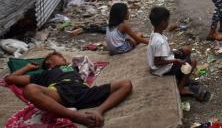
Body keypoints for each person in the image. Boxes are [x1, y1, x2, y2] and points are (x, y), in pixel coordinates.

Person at [4, 51, 132, 127]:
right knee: (30, 89)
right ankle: (76, 116)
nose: (63, 58)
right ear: (49, 61)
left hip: (83, 91)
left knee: (125, 84)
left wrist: (99, 110)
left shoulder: (72, 67)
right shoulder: (44, 74)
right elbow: (10, 78)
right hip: (59, 92)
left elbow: (85, 64)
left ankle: (99, 111)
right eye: (59, 56)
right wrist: (27, 67)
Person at [147, 7, 210, 101]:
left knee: (186, 50)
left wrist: (172, 52)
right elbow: (157, 62)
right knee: (192, 63)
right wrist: (176, 60)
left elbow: (160, 53)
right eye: (167, 20)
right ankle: (181, 88)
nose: (168, 22)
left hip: (165, 61)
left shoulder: (155, 34)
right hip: (161, 69)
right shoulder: (159, 41)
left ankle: (183, 77)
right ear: (163, 23)